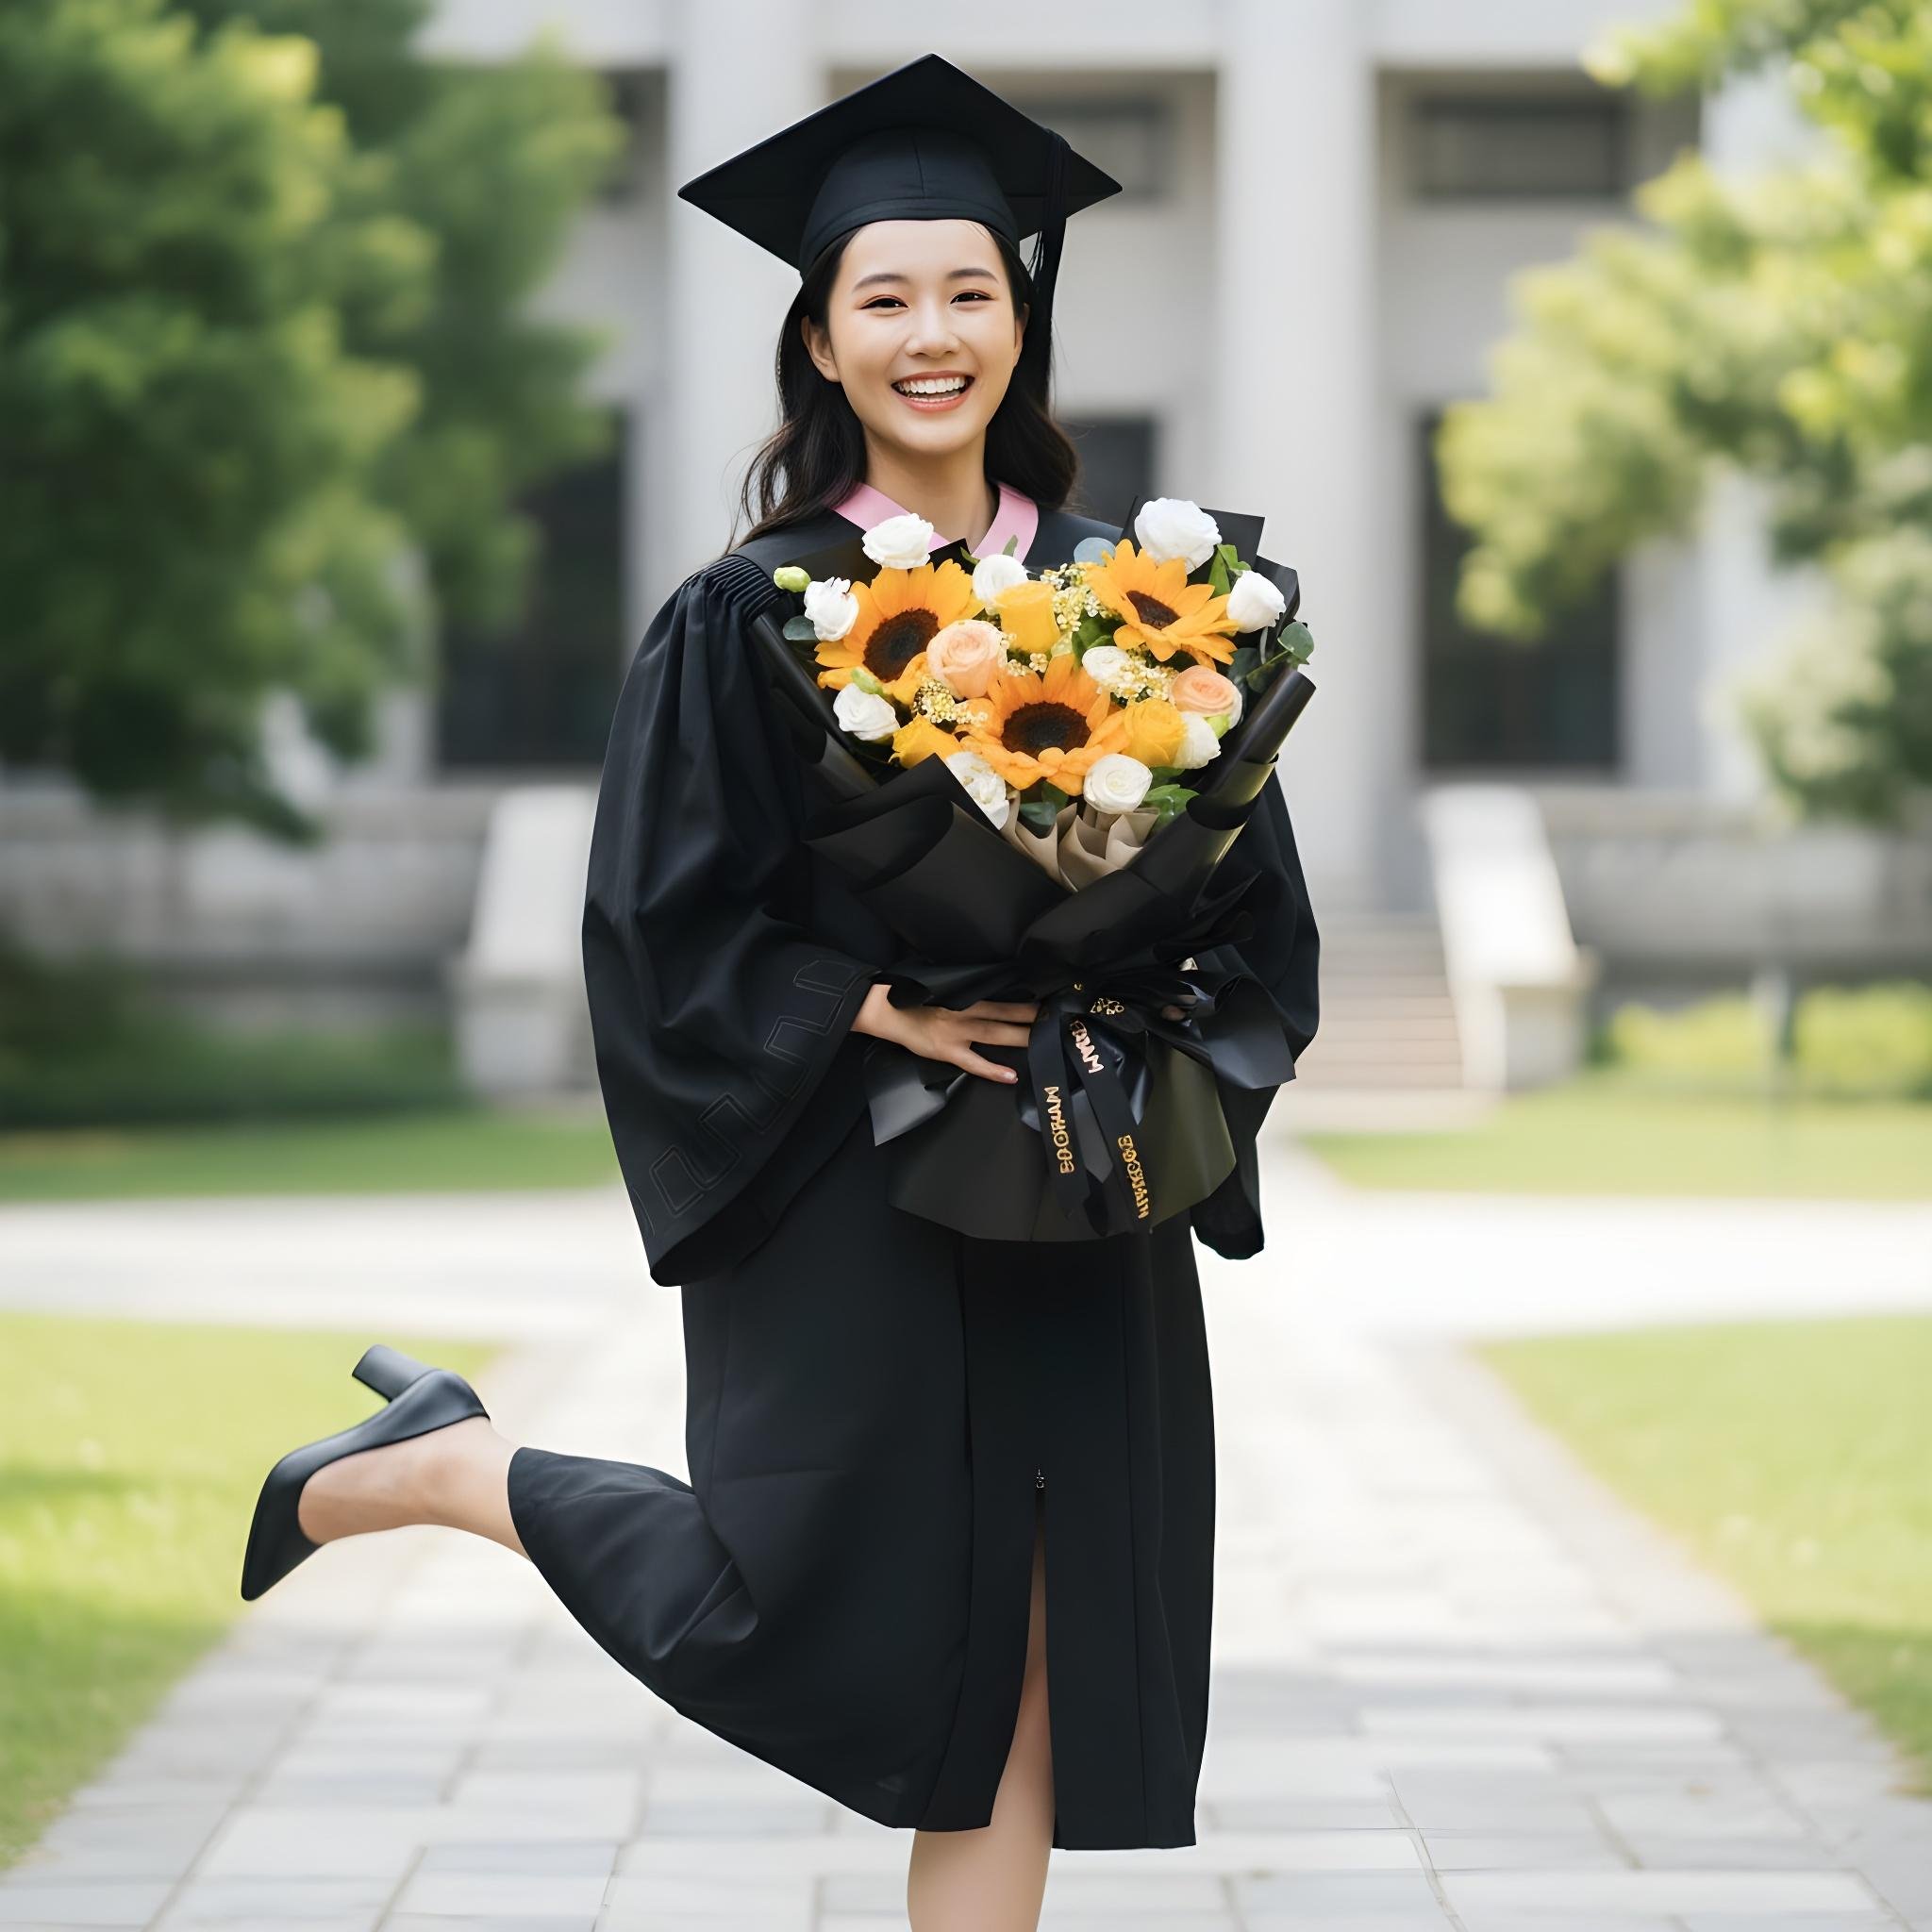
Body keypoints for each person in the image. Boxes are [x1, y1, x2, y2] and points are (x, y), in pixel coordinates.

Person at [238, 53, 1320, 1932]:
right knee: (810, 1611)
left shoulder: (1142, 599)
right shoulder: (756, 613)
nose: (930, 334)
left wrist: (1141, 1016)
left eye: (968, 291)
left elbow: (1249, 897)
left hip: (1075, 1169)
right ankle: (455, 1466)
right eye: (882, 299)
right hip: (855, 1184)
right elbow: (662, 919)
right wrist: (870, 1004)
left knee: (1036, 1675)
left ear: (1020, 318)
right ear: (818, 343)